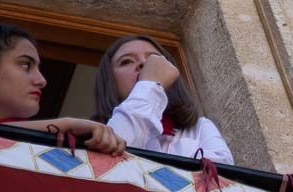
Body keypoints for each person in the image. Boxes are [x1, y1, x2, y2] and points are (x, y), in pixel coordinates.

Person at [0, 23, 124, 154]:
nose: (42, 81)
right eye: (25, 65)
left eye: (38, 68)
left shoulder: (44, 149)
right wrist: (68, 124)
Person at [91, 35, 232, 162]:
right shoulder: (93, 132)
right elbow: (106, 162)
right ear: (110, 81)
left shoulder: (200, 127)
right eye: (126, 61)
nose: (144, 64)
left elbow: (221, 177)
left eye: (154, 59)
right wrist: (149, 85)